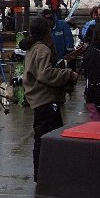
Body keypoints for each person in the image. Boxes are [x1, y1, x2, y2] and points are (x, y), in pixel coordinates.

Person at [23, 17, 78, 181]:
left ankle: (44, 173)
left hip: (42, 100)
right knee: (46, 138)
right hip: (45, 100)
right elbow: (45, 73)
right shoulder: (42, 50)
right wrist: (69, 74)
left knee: (45, 138)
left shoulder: (34, 48)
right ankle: (43, 174)